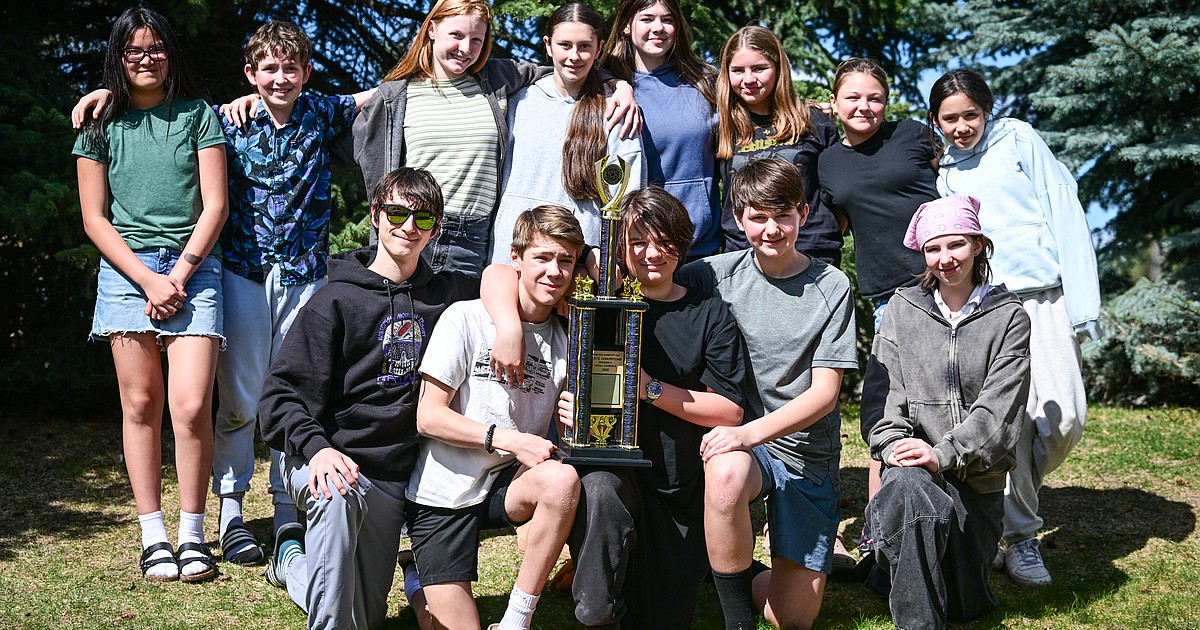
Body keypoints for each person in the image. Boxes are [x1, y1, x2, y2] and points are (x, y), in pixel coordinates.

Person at [70, 21, 380, 566]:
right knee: (237, 398)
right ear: (250, 73)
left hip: (305, 274)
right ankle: (231, 511)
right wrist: (104, 93)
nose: (281, 78)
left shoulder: (321, 111)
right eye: (269, 69)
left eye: (292, 69)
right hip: (241, 271)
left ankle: (289, 506)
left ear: (306, 72)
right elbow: (148, 110)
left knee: (303, 393)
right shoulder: (225, 121)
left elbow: (382, 92)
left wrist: (443, 64)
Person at [257, 167, 479, 629]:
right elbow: (277, 399)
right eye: (396, 212)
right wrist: (317, 450)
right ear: (376, 216)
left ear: (435, 229)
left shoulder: (447, 296)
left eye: (423, 219)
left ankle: (292, 563)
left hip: (390, 476)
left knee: (364, 615)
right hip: (326, 460)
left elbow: (505, 278)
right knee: (337, 500)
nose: (408, 227)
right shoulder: (332, 300)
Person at [929, 68, 1102, 587]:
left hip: (1043, 296)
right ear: (936, 121)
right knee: (1014, 423)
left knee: (1064, 419)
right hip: (991, 307)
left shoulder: (1019, 139)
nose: (961, 128)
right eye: (949, 119)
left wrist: (1082, 304)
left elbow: (1063, 208)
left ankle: (1007, 496)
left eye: (970, 116)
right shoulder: (946, 174)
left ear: (988, 110)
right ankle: (1020, 538)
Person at [74, 6, 227, 583]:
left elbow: (215, 205)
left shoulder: (196, 116)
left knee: (190, 406)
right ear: (118, 56)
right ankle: (153, 534)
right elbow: (94, 218)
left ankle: (193, 533)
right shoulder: (98, 124)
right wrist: (145, 278)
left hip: (194, 271)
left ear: (170, 54)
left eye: (156, 48)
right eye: (134, 50)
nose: (146, 58)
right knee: (140, 405)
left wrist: (180, 274)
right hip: (125, 272)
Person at [678, 157, 858, 629]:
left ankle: (727, 566)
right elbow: (649, 283)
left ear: (802, 213)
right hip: (743, 448)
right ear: (739, 220)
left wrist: (748, 433)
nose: (772, 229)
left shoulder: (832, 285)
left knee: (793, 619)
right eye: (758, 217)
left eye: (783, 215)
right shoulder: (712, 275)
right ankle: (737, 619)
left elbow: (824, 395)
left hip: (805, 451)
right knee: (725, 476)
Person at [352, 0, 638, 278]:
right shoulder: (396, 97)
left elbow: (564, 72)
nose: (465, 48)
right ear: (431, 30)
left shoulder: (497, 84)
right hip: (413, 227)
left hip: (473, 237)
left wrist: (617, 83)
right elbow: (351, 145)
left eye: (476, 39)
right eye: (456, 35)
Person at [405, 205, 585, 630]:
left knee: (563, 480)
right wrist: (509, 439)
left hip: (508, 484)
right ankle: (416, 578)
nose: (554, 272)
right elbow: (428, 418)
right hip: (444, 489)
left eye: (566, 260)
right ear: (516, 259)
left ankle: (516, 621)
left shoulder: (569, 339)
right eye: (542, 257)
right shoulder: (466, 318)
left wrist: (577, 415)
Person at [860, 194, 1032, 629]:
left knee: (964, 604)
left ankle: (894, 568)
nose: (945, 258)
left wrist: (945, 453)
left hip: (976, 478)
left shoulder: (1010, 317)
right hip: (915, 470)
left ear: (978, 245)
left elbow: (1000, 411)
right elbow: (882, 395)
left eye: (955, 245)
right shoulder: (902, 309)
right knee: (906, 486)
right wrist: (897, 445)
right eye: (933, 249)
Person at [818, 57, 942, 568]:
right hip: (888, 294)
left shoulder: (913, 135)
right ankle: (879, 532)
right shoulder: (828, 161)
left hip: (944, 282)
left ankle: (967, 522)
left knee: (945, 402)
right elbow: (839, 222)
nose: (864, 106)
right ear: (835, 103)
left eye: (874, 97)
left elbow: (954, 188)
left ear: (886, 102)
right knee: (889, 406)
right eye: (853, 97)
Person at [487, 3, 645, 262]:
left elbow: (627, 194)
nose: (574, 56)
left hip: (580, 257)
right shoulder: (518, 101)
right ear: (548, 45)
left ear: (599, 48)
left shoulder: (616, 107)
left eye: (584, 46)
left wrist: (606, 259)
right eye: (565, 45)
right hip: (515, 251)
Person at [602, 0, 721, 258]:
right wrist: (617, 83)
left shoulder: (705, 83)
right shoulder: (606, 88)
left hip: (697, 246)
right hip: (634, 250)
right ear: (625, 26)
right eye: (647, 19)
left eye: (667, 20)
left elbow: (755, 108)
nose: (658, 28)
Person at [715, 26, 841, 267]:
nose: (748, 79)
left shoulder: (814, 122)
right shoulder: (721, 128)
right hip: (743, 257)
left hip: (812, 252)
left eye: (760, 68)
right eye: (738, 70)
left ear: (778, 68)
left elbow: (840, 196)